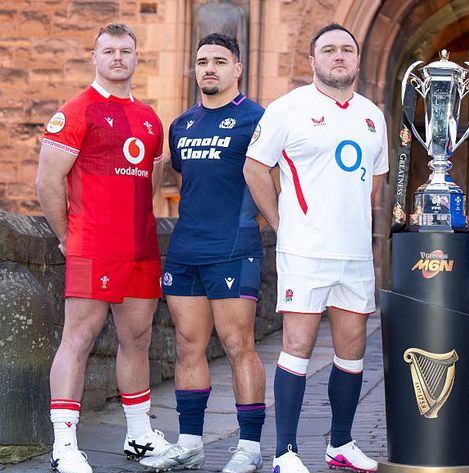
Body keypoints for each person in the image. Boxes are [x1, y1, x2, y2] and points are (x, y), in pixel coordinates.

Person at [243, 23, 387, 473]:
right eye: (328, 50)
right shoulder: (288, 109)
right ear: (313, 61)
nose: (338, 56)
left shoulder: (372, 115)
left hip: (354, 254)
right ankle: (285, 452)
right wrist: (283, 224)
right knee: (298, 346)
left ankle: (340, 443)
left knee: (352, 349)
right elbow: (254, 168)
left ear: (357, 59)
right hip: (305, 251)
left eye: (346, 49)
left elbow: (376, 177)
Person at [35, 22, 173, 473]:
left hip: (140, 248)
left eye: (125, 51)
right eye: (109, 51)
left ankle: (139, 436)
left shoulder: (150, 119)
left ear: (136, 58)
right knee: (78, 339)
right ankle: (64, 445)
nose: (118, 58)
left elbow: (151, 182)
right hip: (93, 246)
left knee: (138, 339)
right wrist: (66, 236)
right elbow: (47, 181)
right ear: (94, 57)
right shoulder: (77, 110)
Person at [137, 33, 266, 473]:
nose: (209, 68)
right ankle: (190, 444)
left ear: (237, 68)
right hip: (185, 249)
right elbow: (187, 181)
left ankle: (249, 448)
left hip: (233, 249)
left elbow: (273, 183)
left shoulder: (256, 119)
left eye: (219, 61)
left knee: (238, 344)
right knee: (188, 345)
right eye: (202, 61)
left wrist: (257, 228)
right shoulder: (181, 125)